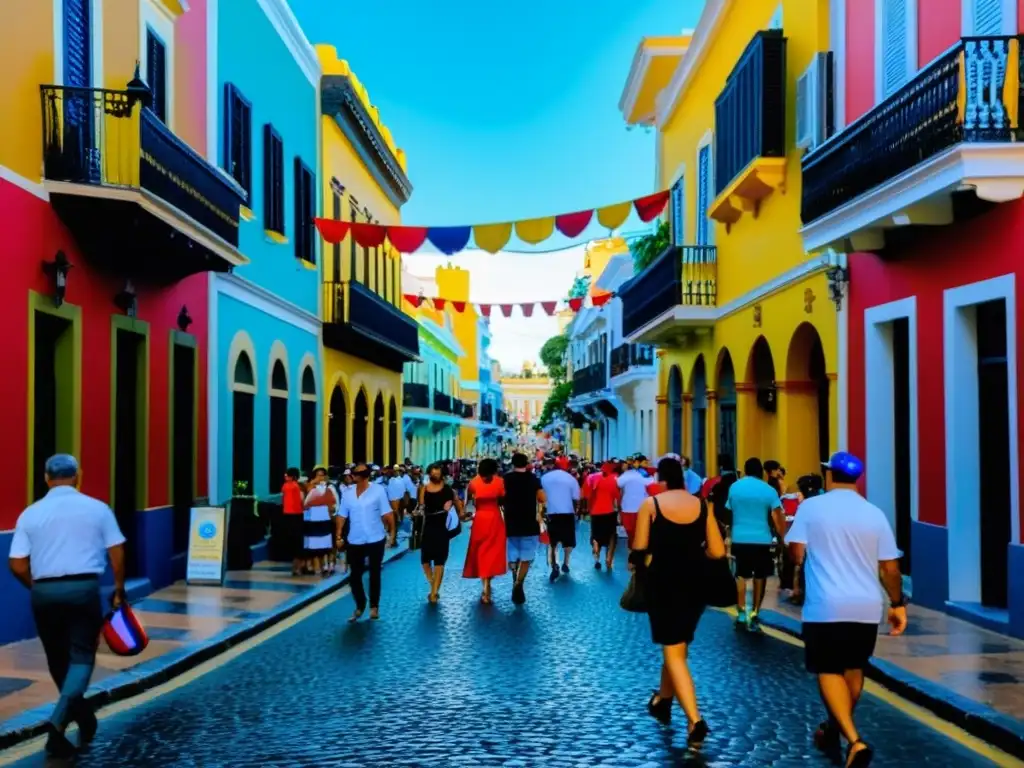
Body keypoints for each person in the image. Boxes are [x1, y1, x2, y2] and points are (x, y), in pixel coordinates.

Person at [789, 452, 906, 767]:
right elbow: (891, 569)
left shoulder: (811, 507)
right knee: (853, 668)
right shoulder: (874, 514)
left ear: (829, 475)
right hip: (866, 606)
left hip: (825, 606)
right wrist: (897, 604)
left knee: (828, 670)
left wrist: (801, 567)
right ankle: (833, 727)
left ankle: (854, 741)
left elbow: (796, 552)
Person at [7, 454, 126, 758]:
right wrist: (118, 590)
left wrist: (37, 586)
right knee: (82, 656)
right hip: (83, 589)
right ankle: (58, 723)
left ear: (46, 478)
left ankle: (82, 716)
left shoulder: (30, 514)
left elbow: (17, 564)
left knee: (57, 658)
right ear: (78, 476)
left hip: (44, 592)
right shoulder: (98, 509)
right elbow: (116, 550)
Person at [632, 456, 726, 747]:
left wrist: (649, 561)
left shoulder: (652, 505)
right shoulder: (702, 505)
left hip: (663, 582)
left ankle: (695, 720)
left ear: (661, 479)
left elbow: (639, 548)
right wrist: (696, 558)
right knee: (677, 646)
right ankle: (663, 699)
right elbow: (718, 551)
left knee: (673, 651)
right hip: (695, 582)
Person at [726, 457, 786, 632]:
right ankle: (755, 612)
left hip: (740, 537)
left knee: (741, 575)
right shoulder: (768, 490)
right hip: (762, 538)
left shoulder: (735, 487)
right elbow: (777, 516)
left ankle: (741, 612)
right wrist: (782, 537)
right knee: (760, 575)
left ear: (745, 469)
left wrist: (730, 534)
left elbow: (730, 511)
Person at [337, 463, 395, 622]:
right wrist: (338, 536)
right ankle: (361, 604)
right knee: (354, 576)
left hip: (375, 538)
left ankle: (374, 606)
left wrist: (392, 534)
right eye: (353, 474)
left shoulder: (378, 491)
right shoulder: (347, 494)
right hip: (354, 540)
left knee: (374, 573)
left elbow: (388, 514)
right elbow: (341, 516)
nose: (352, 476)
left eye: (356, 474)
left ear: (364, 476)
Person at [503, 452, 545, 604]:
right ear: (526, 464)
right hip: (529, 522)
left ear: (512, 464)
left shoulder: (506, 479)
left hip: (510, 521)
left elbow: (500, 497)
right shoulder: (533, 479)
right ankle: (519, 583)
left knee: (512, 553)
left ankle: (514, 573)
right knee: (527, 556)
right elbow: (542, 498)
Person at [463, 458, 507, 604]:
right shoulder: (500, 482)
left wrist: (466, 514)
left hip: (480, 520)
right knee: (492, 553)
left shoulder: (473, 483)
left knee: (481, 553)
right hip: (495, 519)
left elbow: (467, 502)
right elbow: (503, 501)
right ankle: (488, 580)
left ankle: (485, 586)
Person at [417, 463, 462, 604]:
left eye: (438, 473)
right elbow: (421, 506)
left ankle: (434, 592)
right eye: (433, 473)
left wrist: (458, 512)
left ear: (442, 474)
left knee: (439, 560)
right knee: (424, 560)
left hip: (443, 526)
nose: (435, 475)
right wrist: (418, 511)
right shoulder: (424, 489)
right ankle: (433, 583)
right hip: (428, 526)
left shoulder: (448, 490)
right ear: (429, 474)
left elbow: (458, 504)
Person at [540, 457, 580, 581]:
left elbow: (541, 497)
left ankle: (554, 565)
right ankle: (566, 563)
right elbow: (576, 497)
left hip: (551, 512)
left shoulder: (544, 478)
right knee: (568, 541)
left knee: (553, 542)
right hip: (567, 513)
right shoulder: (571, 479)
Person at [304, 467, 338, 576]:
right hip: (314, 522)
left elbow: (335, 505)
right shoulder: (311, 489)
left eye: (322, 475)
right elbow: (305, 504)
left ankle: (329, 566)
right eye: (318, 475)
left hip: (327, 520)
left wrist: (332, 511)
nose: (321, 477)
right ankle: (321, 567)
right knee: (318, 546)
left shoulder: (330, 488)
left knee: (328, 545)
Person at [588, 462, 620, 570]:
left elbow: (589, 495)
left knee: (596, 533)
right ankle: (609, 559)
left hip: (595, 512)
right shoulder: (614, 479)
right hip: (609, 511)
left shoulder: (594, 478)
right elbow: (617, 497)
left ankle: (596, 550)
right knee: (611, 535)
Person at [617, 460, 650, 551]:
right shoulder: (642, 475)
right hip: (641, 507)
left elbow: (618, 483)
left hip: (628, 508)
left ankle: (632, 551)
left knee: (630, 531)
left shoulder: (625, 476)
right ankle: (636, 550)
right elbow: (649, 484)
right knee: (638, 531)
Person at [281, 468, 306, 576]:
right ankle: (298, 567)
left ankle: (295, 566)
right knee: (298, 542)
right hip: (297, 515)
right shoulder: (298, 487)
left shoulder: (285, 486)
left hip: (288, 516)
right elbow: (302, 501)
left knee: (292, 542)